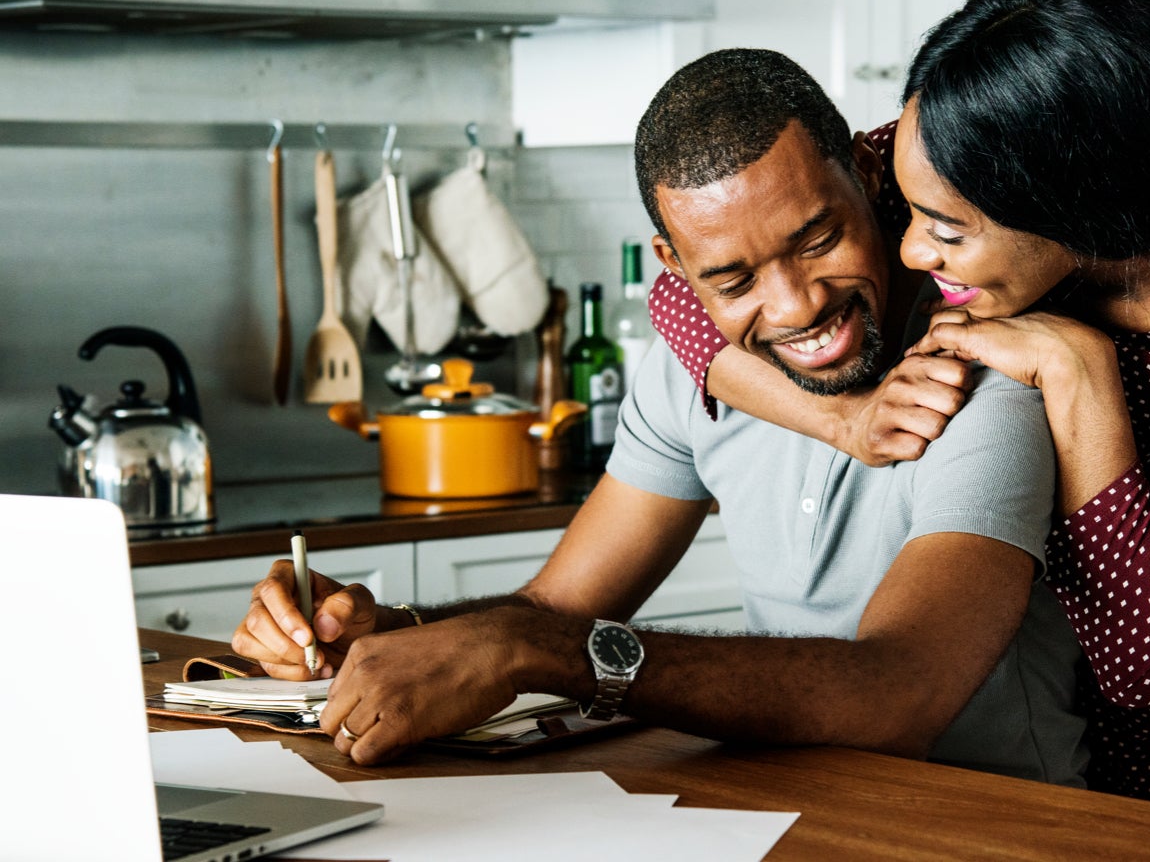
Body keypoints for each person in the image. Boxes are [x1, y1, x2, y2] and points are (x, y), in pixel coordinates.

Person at [232, 48, 1088, 786]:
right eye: (734, 279)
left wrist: (540, 650)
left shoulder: (980, 370)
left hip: (1000, 823)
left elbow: (897, 693)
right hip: (808, 807)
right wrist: (388, 634)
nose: (796, 307)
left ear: (869, 176)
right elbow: (553, 607)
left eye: (817, 240)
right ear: (675, 269)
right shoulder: (688, 380)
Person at [648, 0, 1150, 810]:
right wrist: (845, 420)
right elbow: (686, 290)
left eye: (945, 230)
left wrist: (1079, 374)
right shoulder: (955, 144)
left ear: (1079, 205)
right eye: (910, 210)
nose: (910, 250)